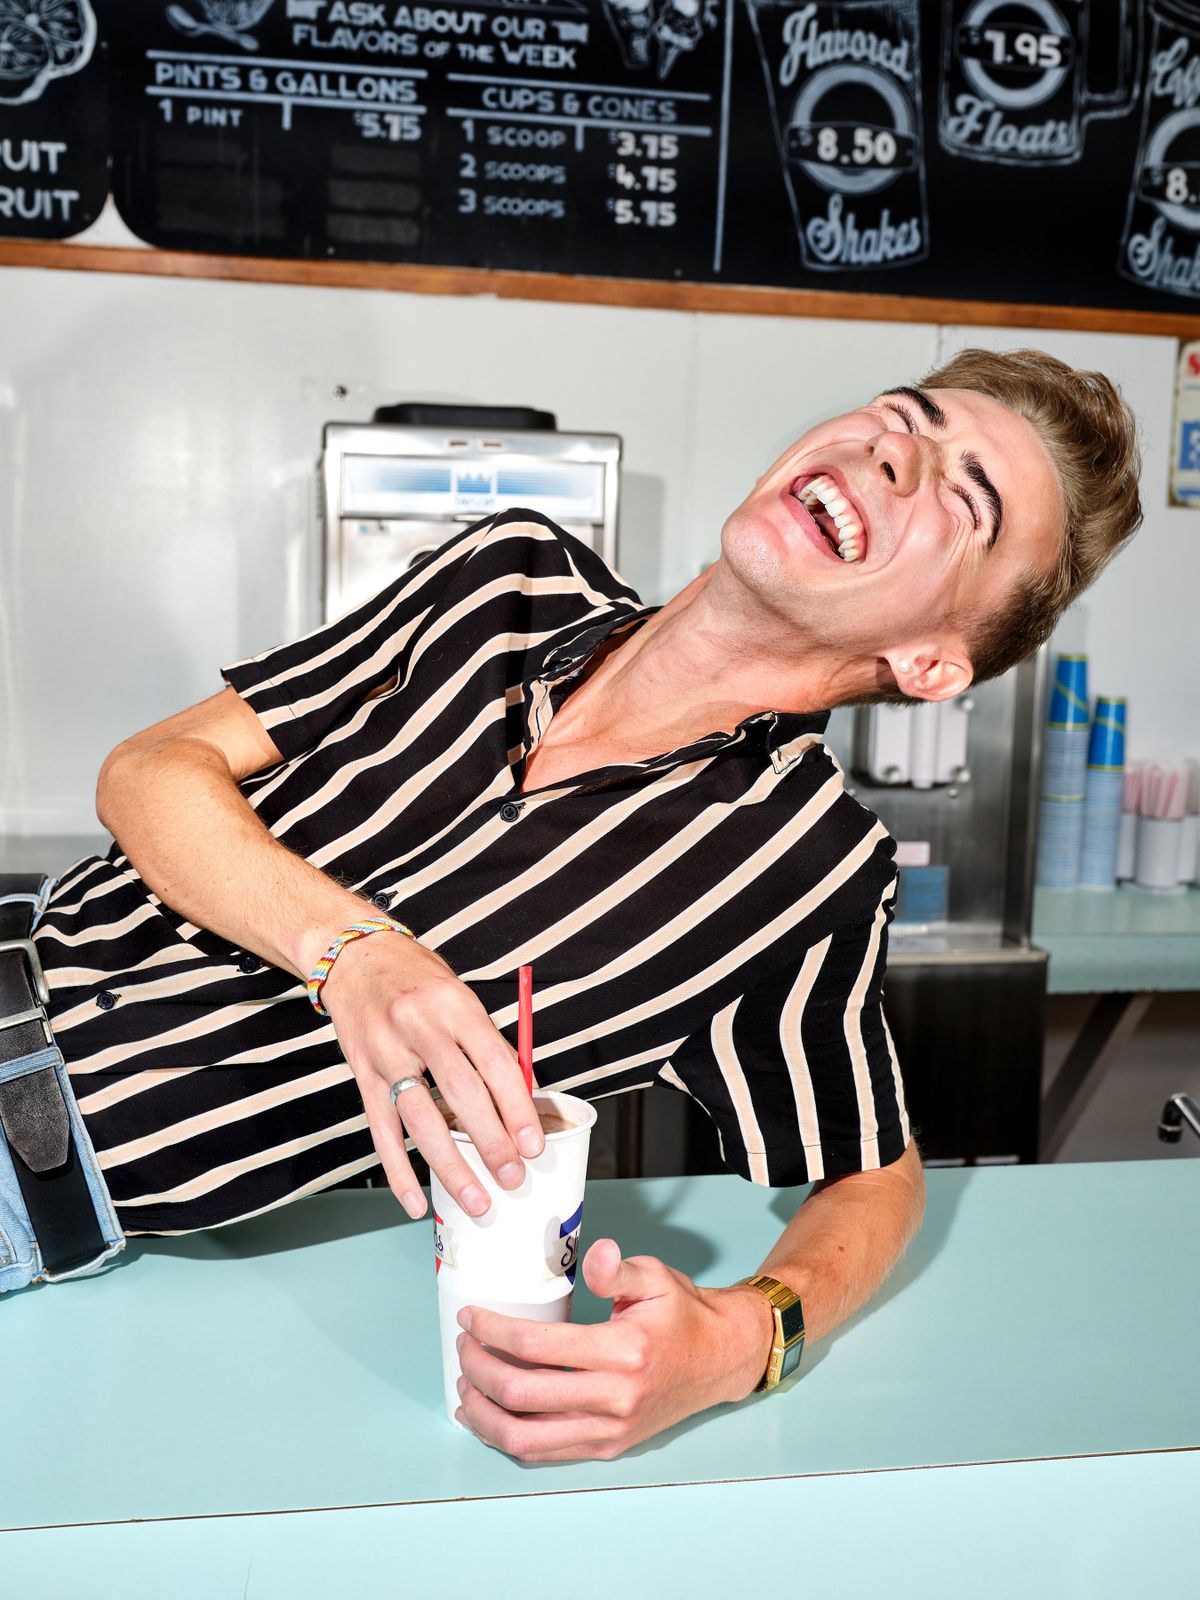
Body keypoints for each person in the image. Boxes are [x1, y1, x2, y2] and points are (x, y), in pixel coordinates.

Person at [11, 347, 1141, 1461]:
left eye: (965, 495)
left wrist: (747, 1338)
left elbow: (875, 1172)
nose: (899, 452)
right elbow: (152, 770)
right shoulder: (505, 578)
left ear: (934, 664)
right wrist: (352, 953)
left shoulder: (806, 868)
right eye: (908, 415)